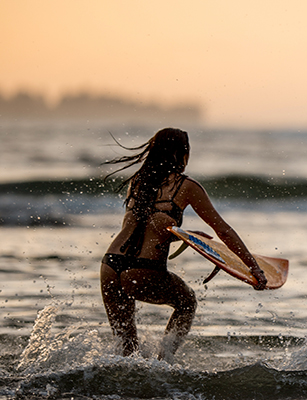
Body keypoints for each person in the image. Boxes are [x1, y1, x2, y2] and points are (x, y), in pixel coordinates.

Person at [100, 128, 268, 357]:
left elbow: (142, 226)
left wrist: (183, 234)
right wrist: (252, 266)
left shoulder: (138, 182)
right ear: (183, 154)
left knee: (126, 351)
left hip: (110, 266)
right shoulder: (185, 186)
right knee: (187, 302)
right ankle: (164, 364)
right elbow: (223, 230)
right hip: (144, 270)